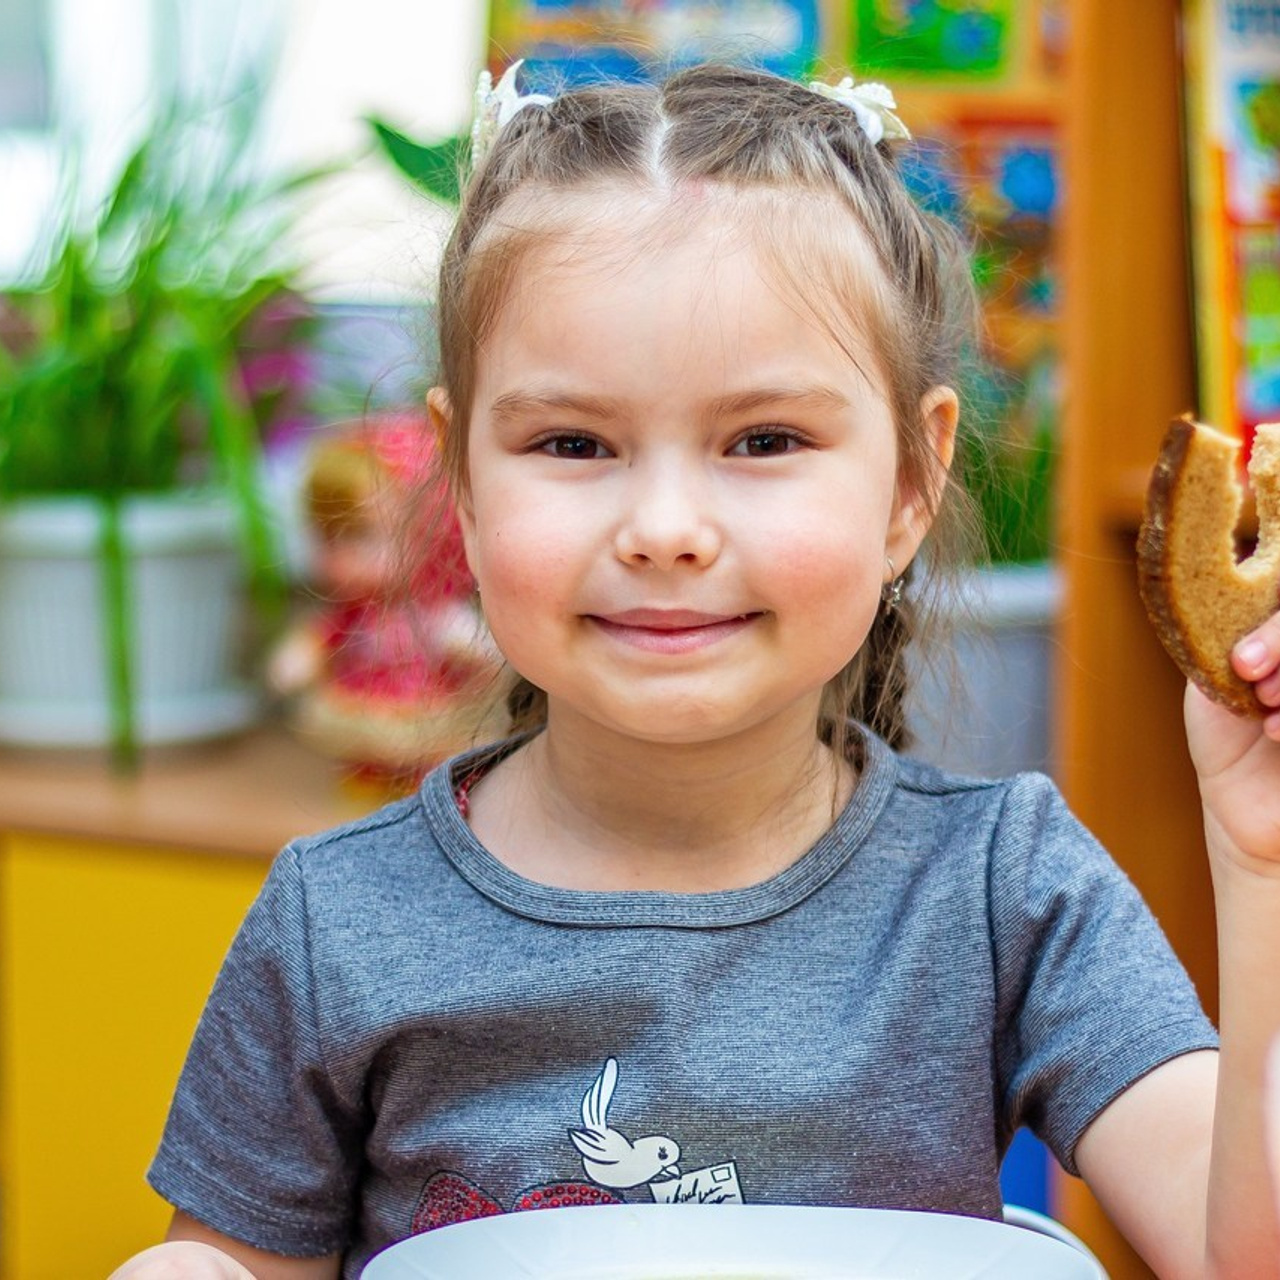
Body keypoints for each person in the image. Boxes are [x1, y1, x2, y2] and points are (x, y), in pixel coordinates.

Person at [109, 62, 1280, 1280]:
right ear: (460, 474)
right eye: (572, 442)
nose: (664, 526)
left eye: (762, 439)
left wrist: (1258, 865)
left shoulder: (1006, 891)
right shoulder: (335, 923)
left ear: (907, 483)